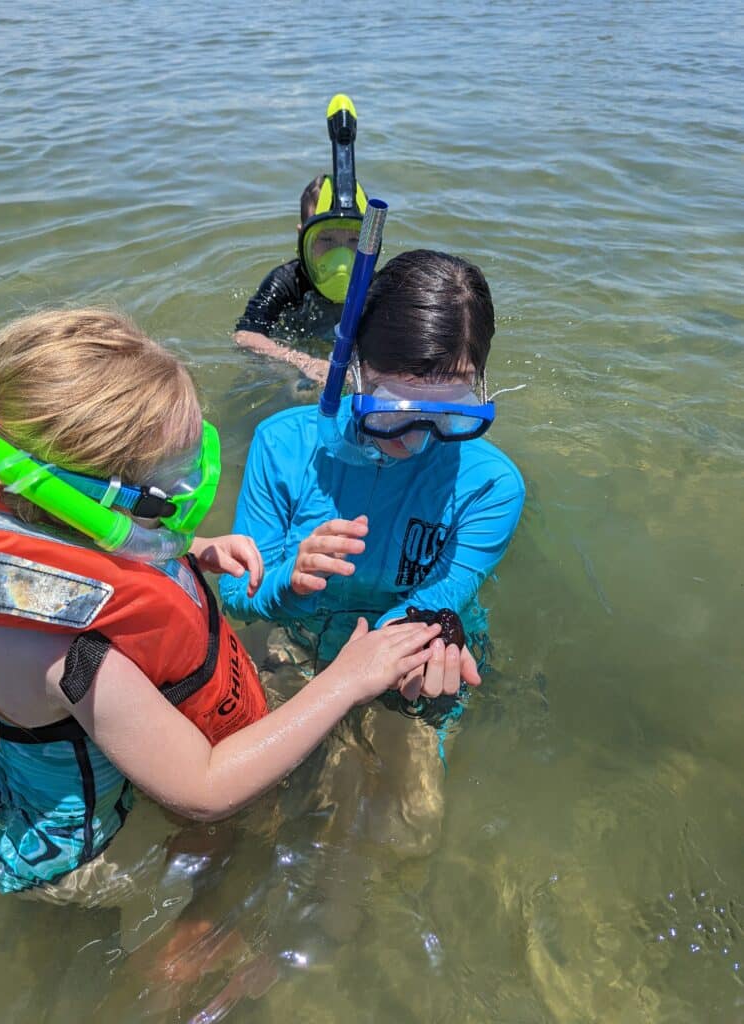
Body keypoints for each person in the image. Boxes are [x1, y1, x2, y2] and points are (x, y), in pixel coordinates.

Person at [0, 309, 441, 897]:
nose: (180, 501)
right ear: (88, 501)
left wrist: (195, 546)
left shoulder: (33, 529)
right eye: (167, 490)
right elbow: (204, 788)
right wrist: (345, 681)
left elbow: (96, 547)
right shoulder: (62, 651)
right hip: (75, 853)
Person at [219, 250, 525, 861]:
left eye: (453, 412)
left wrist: (388, 663)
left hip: (420, 653)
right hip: (298, 642)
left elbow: (434, 602)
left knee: (404, 835)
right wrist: (287, 578)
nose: (419, 439)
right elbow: (235, 596)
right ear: (353, 369)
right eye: (394, 410)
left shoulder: (492, 485)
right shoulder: (283, 445)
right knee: (255, 813)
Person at [235, 94, 367, 385]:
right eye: (327, 240)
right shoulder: (287, 281)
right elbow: (245, 336)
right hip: (300, 354)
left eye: (354, 241)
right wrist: (301, 362)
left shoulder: (374, 285)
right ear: (302, 238)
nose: (341, 255)